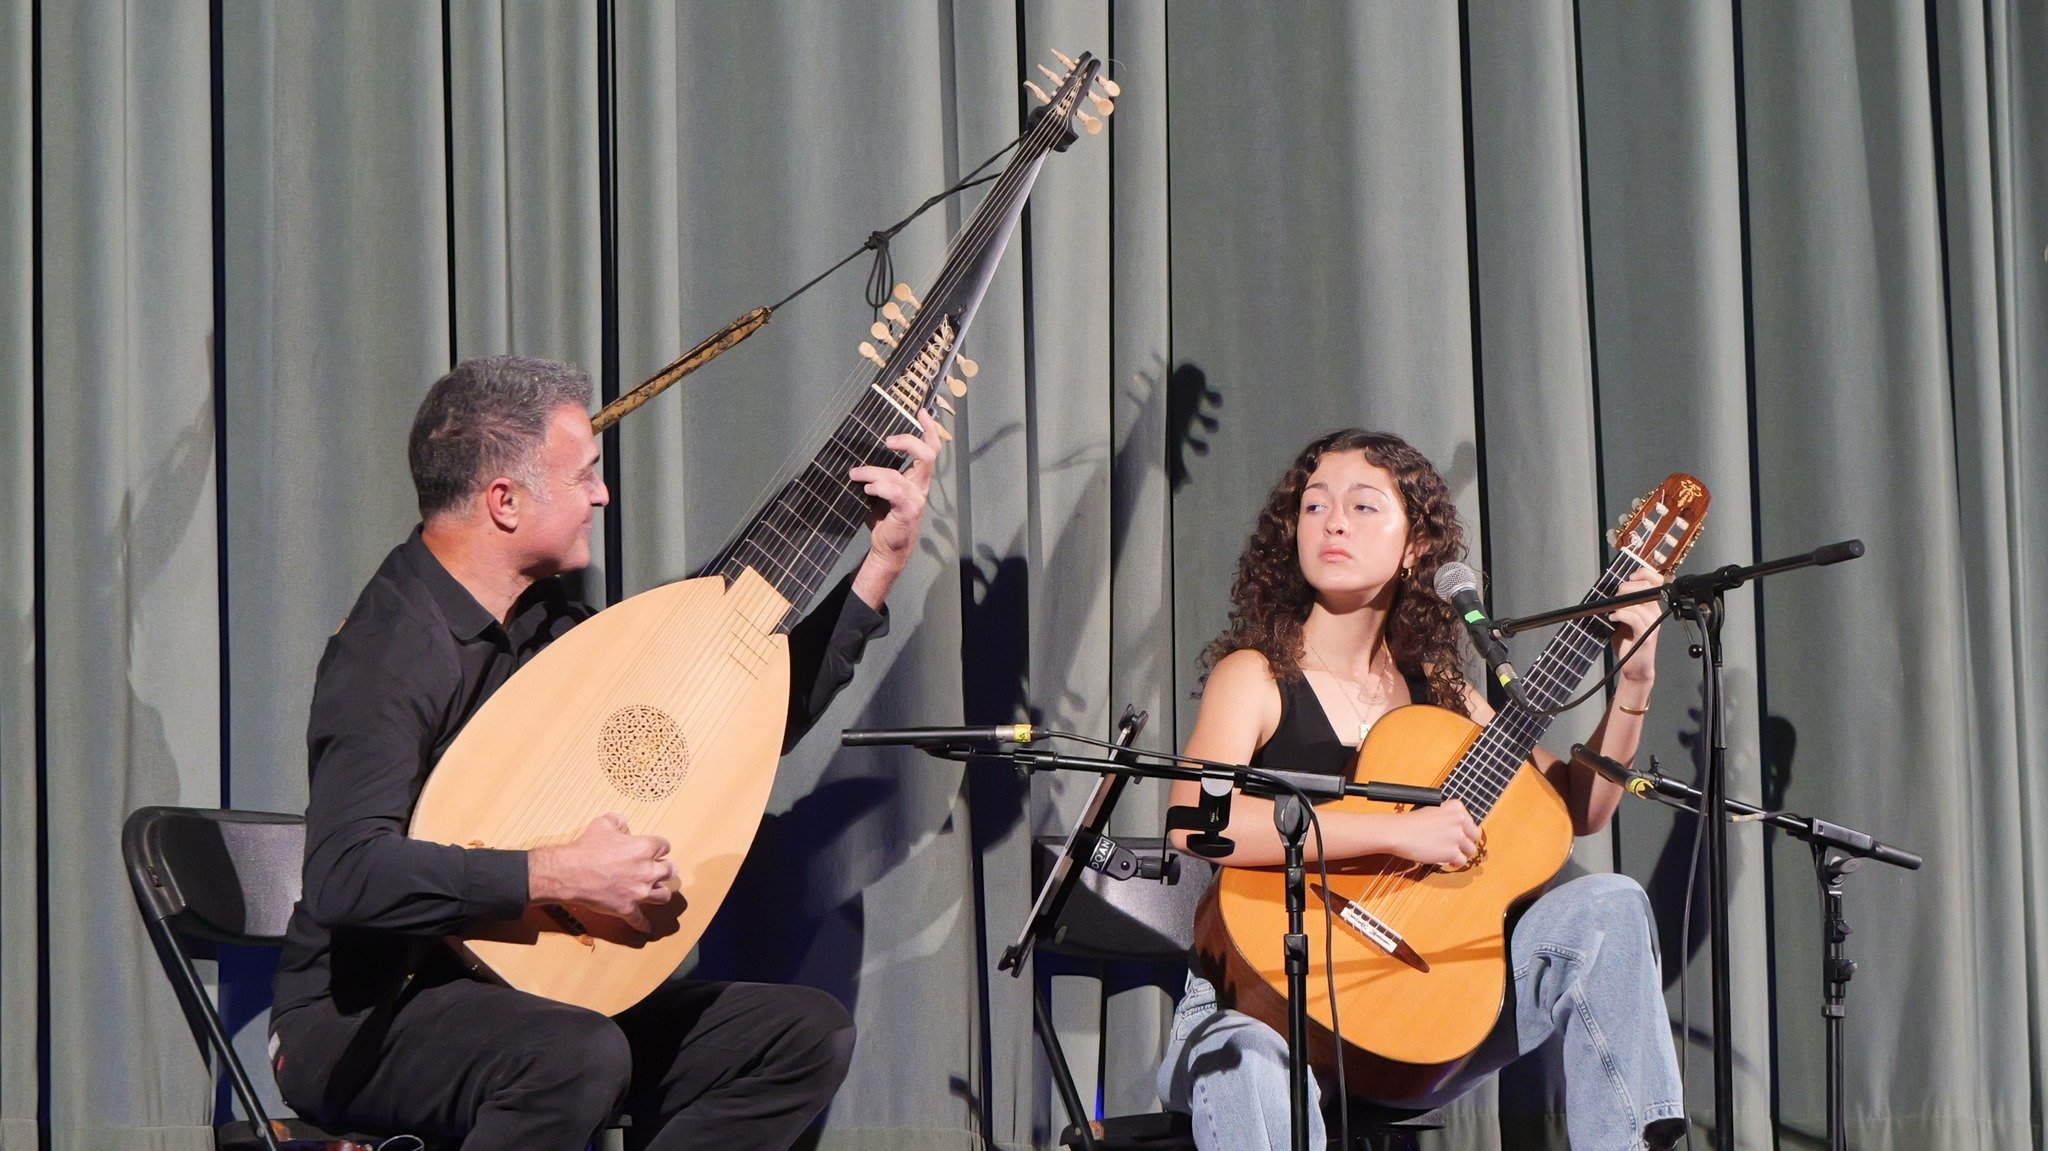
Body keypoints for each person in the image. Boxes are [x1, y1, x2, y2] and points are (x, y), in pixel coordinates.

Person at [269, 355, 942, 1150]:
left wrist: (878, 567)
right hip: (368, 1014)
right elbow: (348, 875)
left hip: (538, 985)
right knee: (573, 1055)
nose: (602, 493)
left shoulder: (551, 623)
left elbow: (719, 730)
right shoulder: (390, 652)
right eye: (585, 473)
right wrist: (557, 873)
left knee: (799, 1035)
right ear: (505, 501)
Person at [1157, 429, 1687, 1151]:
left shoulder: (1443, 692)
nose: (1335, 521)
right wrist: (1394, 831)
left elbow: (1575, 812)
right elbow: (1196, 819)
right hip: (1257, 999)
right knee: (1250, 1065)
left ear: (1417, 548)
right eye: (1314, 506)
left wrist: (1634, 681)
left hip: (1417, 998)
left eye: (1364, 506)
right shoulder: (1254, 676)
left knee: (1611, 903)